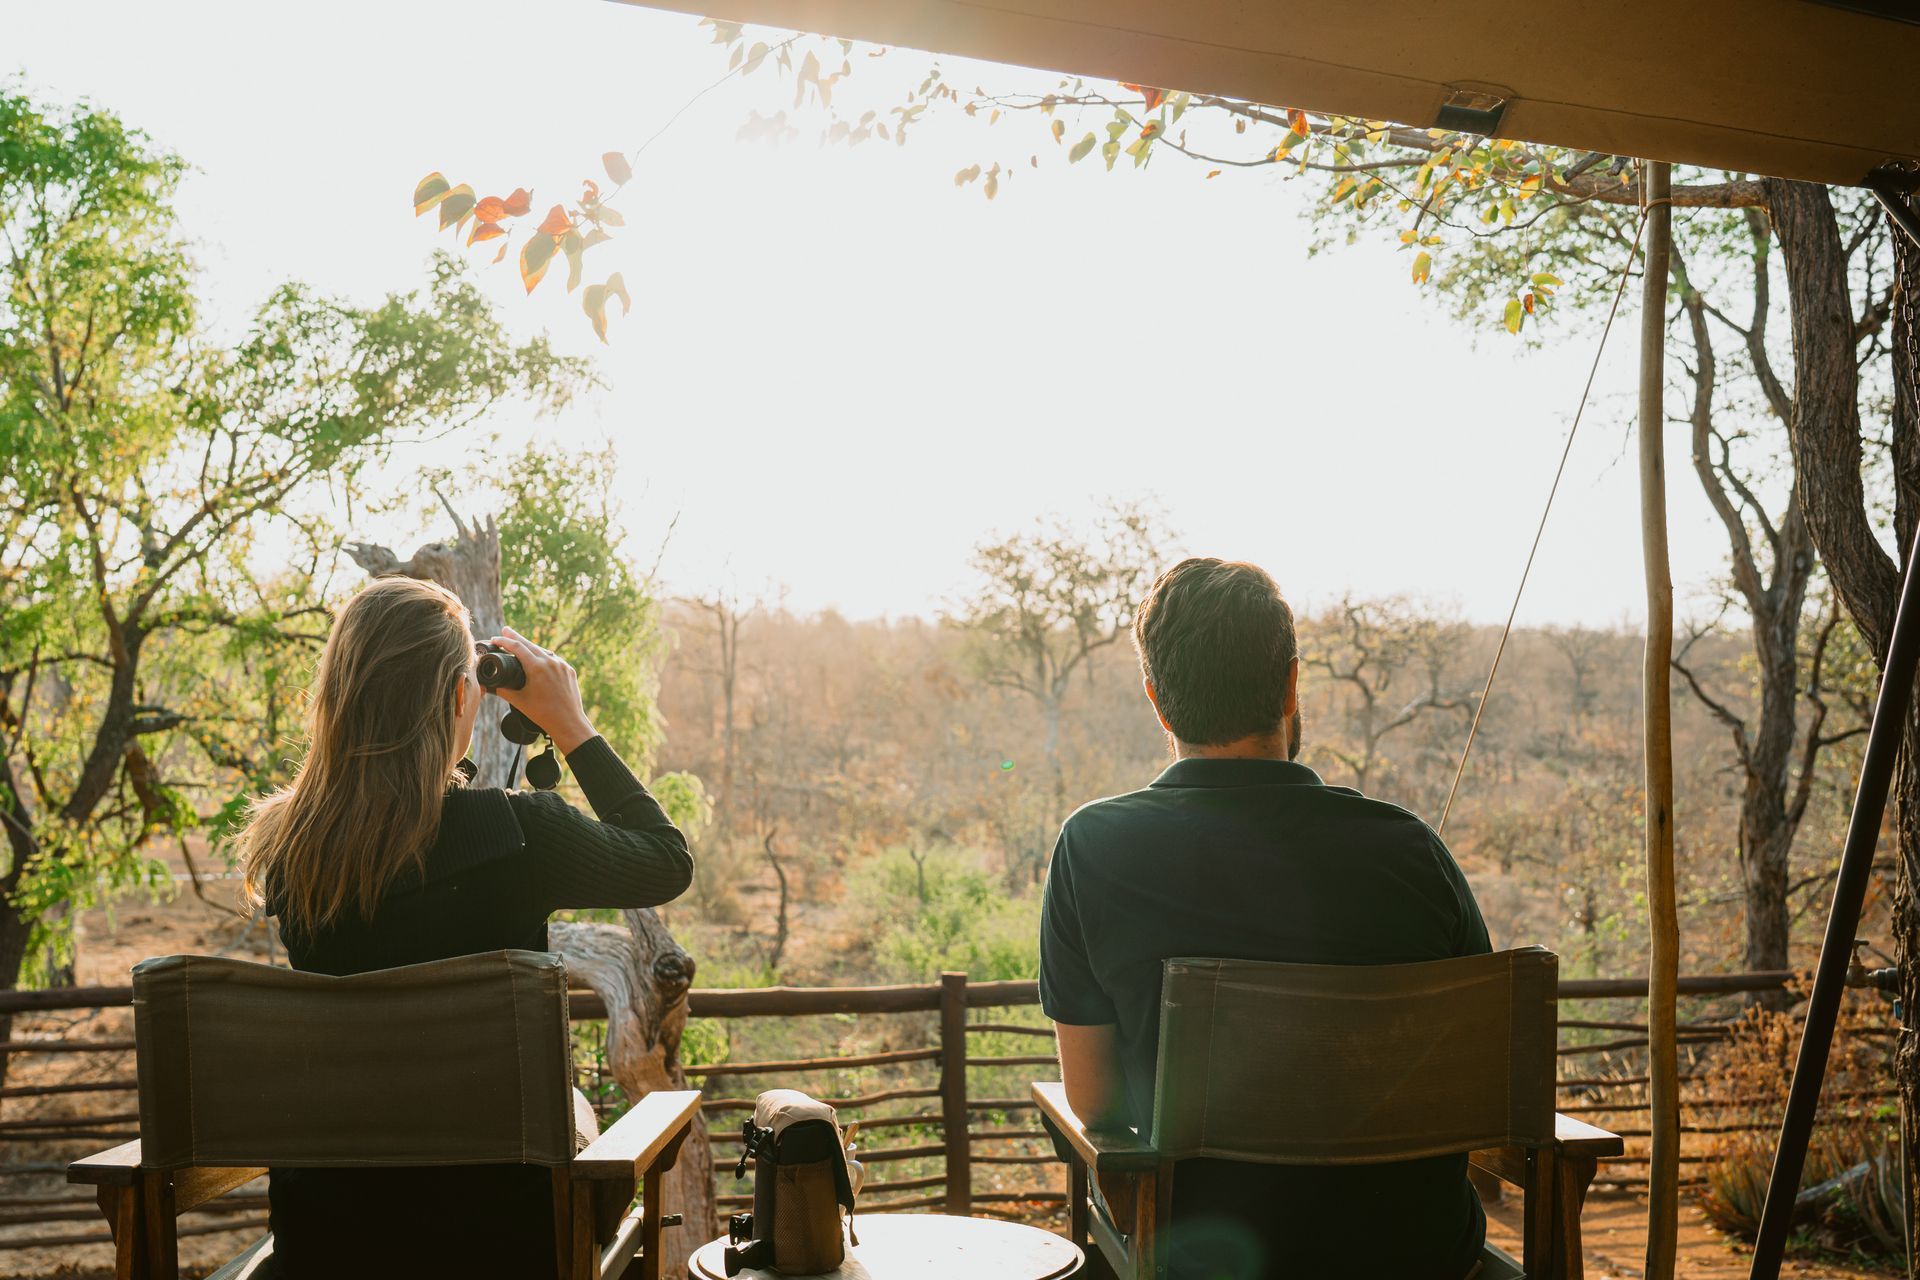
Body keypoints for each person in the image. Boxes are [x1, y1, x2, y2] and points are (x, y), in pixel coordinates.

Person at [1039, 558, 1492, 1280]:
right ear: (1289, 685)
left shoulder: (1093, 847)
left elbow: (1095, 1102)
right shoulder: (1410, 849)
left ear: (1158, 701)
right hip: (1417, 1254)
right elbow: (1477, 1076)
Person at [235, 576, 693, 1279]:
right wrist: (569, 724)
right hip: (508, 1240)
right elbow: (666, 861)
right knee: (570, 1107)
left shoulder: (292, 856)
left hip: (332, 1237)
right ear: (458, 697)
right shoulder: (517, 835)